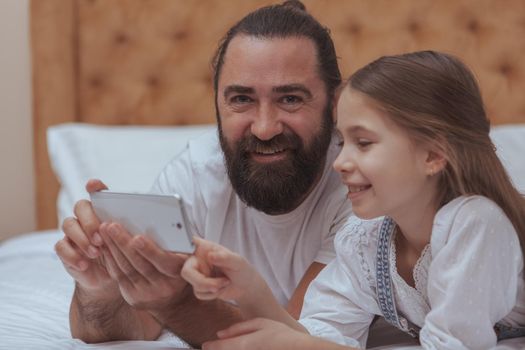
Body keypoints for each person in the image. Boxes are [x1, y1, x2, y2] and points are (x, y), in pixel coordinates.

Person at [53, 0, 353, 347]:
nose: (265, 128)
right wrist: (101, 289)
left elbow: (297, 341)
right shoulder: (194, 175)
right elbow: (138, 325)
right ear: (217, 103)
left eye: (290, 99)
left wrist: (173, 300)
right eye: (241, 99)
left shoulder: (362, 187)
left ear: (334, 105)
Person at [181, 50, 525, 349]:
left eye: (363, 143)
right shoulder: (366, 238)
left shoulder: (476, 223)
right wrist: (251, 290)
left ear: (433, 155)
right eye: (342, 141)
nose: (340, 163)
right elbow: (319, 334)